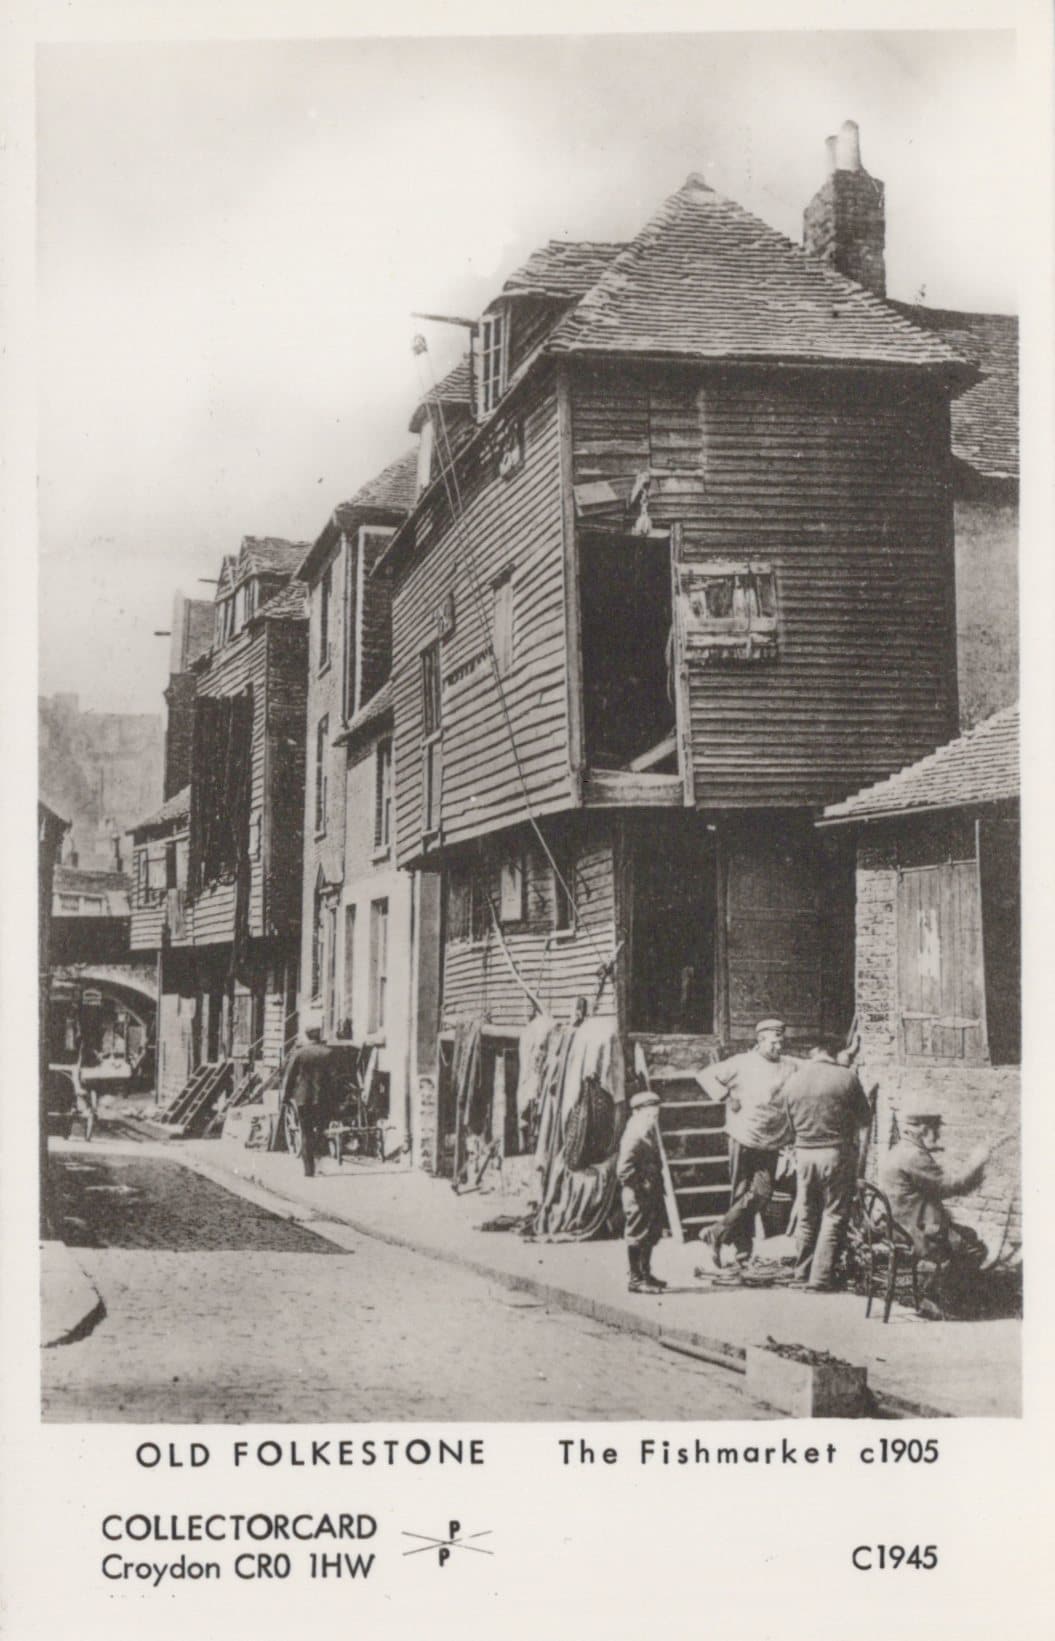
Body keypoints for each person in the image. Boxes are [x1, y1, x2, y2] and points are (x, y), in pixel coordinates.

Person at [694, 1019, 796, 1279]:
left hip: (771, 1140)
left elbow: (814, 1068)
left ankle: (716, 1232)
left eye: (781, 1041)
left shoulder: (790, 1064)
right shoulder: (742, 1063)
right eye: (774, 1042)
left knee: (761, 1193)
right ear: (760, 1041)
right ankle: (742, 1254)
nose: (779, 1046)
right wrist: (727, 1097)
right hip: (743, 1136)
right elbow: (705, 1076)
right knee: (741, 1192)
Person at [879, 1110, 989, 1319]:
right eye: (935, 1129)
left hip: (899, 1224)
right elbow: (949, 1186)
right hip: (915, 1231)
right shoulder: (914, 1156)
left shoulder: (899, 1150)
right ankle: (934, 1298)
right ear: (924, 1129)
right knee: (974, 1248)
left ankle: (932, 1293)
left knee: (968, 1235)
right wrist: (975, 1163)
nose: (938, 1134)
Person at [783, 1044, 872, 1292]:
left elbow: (788, 1123)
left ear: (812, 1053)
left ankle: (801, 1273)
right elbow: (864, 1118)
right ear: (835, 1053)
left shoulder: (793, 1080)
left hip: (803, 1153)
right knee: (833, 1214)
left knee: (807, 1212)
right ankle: (820, 1278)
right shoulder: (847, 1077)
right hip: (835, 1153)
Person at [616, 1086, 667, 1295]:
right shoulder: (634, 1135)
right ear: (637, 1112)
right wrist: (641, 1186)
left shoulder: (646, 1131)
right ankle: (636, 1279)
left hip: (650, 1192)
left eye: (655, 1115)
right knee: (637, 1235)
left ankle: (645, 1273)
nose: (653, 1119)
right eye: (649, 1114)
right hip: (637, 1195)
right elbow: (623, 1170)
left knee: (651, 1233)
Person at [280, 1009, 337, 1178]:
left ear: (307, 1036)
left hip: (303, 1099)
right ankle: (320, 1164)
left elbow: (290, 1077)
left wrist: (286, 1097)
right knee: (321, 1131)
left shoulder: (299, 1053)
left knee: (306, 1133)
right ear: (319, 1035)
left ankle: (308, 1170)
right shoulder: (328, 1053)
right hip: (323, 1099)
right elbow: (334, 1079)